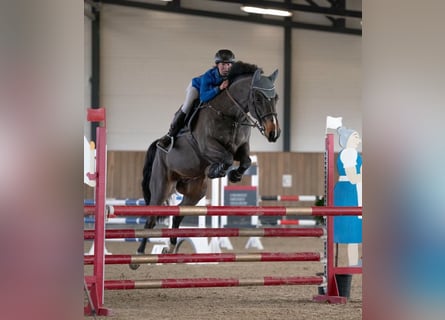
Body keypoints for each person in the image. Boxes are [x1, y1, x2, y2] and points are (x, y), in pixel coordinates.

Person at [157, 49, 236, 152]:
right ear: (217, 65)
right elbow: (203, 97)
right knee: (187, 106)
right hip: (197, 88)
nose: (226, 67)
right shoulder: (208, 76)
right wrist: (219, 88)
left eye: (229, 64)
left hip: (212, 90)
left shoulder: (232, 75)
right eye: (223, 64)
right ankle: (170, 135)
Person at [333, 126, 362, 267]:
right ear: (348, 139)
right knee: (352, 231)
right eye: (356, 137)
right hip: (350, 191)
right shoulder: (349, 153)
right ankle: (353, 264)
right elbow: (353, 178)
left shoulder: (351, 153)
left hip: (350, 190)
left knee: (354, 233)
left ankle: (355, 262)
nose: (359, 140)